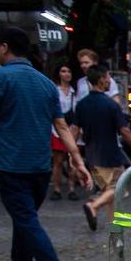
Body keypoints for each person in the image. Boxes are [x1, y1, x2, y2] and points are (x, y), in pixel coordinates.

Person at [0, 27, 92, 261]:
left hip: (11, 164)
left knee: (25, 218)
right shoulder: (46, 83)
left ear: (5, 47)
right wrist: (77, 160)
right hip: (40, 167)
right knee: (24, 218)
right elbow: (61, 126)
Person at [75, 65, 131, 232]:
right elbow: (124, 130)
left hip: (91, 155)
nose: (109, 81)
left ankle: (115, 221)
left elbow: (74, 129)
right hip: (110, 154)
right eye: (107, 78)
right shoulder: (111, 105)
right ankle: (93, 206)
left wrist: (73, 153)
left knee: (108, 189)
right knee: (118, 189)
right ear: (101, 80)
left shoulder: (82, 105)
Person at [48, 62, 82, 201]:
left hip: (71, 130)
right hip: (56, 130)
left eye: (68, 71)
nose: (66, 74)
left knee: (72, 161)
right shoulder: (55, 91)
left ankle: (71, 188)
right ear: (59, 74)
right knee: (58, 161)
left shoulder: (75, 92)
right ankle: (56, 188)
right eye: (63, 71)